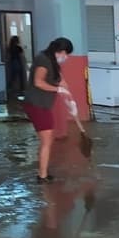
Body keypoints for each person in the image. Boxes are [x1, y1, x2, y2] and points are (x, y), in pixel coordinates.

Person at [24, 37, 73, 183]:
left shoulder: (53, 61)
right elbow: (38, 82)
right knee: (46, 140)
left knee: (48, 139)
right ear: (59, 51)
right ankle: (42, 176)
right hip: (36, 104)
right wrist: (58, 90)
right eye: (65, 53)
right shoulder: (43, 60)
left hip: (43, 105)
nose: (66, 57)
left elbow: (61, 80)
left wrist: (68, 97)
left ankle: (43, 172)